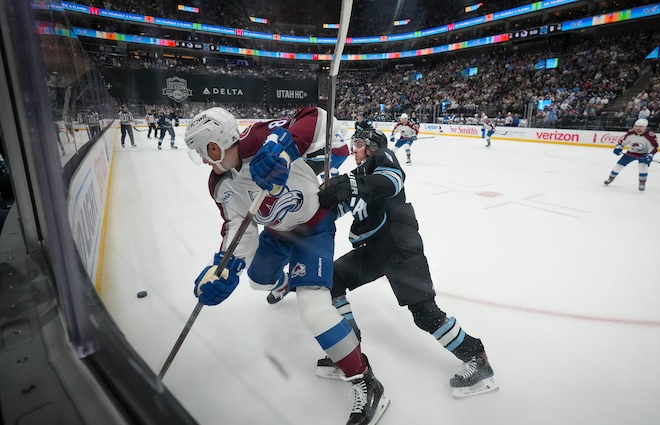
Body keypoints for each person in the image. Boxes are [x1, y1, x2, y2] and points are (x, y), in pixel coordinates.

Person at [183, 107, 389, 425]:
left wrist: (284, 147)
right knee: (258, 281)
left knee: (313, 310)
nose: (205, 162)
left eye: (203, 153)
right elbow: (238, 228)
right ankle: (285, 281)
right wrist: (222, 269)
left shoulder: (263, 137)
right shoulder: (220, 185)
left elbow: (320, 118)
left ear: (214, 146)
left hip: (312, 228)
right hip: (277, 234)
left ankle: (365, 379)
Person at [282, 128, 498, 399]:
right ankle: (349, 347)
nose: (354, 149)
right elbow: (333, 210)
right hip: (373, 249)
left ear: (372, 146)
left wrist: (350, 186)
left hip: (397, 242)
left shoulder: (382, 158)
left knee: (425, 312)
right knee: (333, 279)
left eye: (359, 144)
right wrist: (300, 216)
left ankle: (476, 356)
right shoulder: (358, 177)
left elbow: (392, 181)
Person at [603, 118, 658, 192]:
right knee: (618, 166)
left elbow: (654, 147)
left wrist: (650, 154)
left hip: (643, 154)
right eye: (636, 126)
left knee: (642, 168)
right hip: (630, 153)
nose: (638, 128)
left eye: (641, 127)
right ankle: (610, 179)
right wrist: (619, 147)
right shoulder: (630, 133)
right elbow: (623, 142)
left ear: (645, 127)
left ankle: (642, 183)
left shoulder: (650, 136)